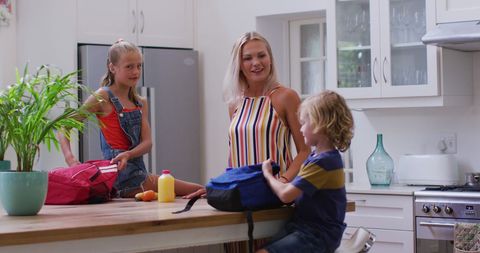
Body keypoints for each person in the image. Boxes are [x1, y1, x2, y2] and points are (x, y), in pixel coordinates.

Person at [57, 40, 203, 198]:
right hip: (120, 178)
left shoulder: (140, 102)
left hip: (139, 174)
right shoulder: (103, 96)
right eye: (129, 66)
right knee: (200, 189)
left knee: (198, 191)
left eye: (139, 66)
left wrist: (128, 154)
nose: (136, 72)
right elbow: (64, 126)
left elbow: (147, 144)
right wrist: (70, 159)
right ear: (112, 67)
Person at [220, 31, 310, 252]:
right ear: (238, 64)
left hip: (275, 199)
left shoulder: (286, 97)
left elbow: (305, 150)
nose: (256, 63)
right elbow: (234, 153)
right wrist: (221, 186)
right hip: (241, 199)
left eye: (261, 55)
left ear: (270, 58)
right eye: (248, 58)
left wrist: (284, 179)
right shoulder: (235, 102)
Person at [259, 90, 355, 253]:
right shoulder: (318, 157)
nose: (301, 129)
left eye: (304, 123)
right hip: (303, 227)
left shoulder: (324, 162)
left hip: (317, 235)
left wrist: (267, 174)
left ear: (320, 123)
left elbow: (286, 194)